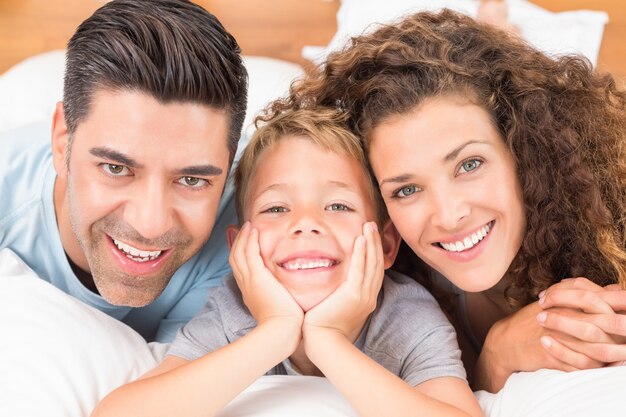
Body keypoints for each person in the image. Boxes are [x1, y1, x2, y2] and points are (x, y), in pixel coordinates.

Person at [272, 9, 626, 392]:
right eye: (405, 190)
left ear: (525, 150)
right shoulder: (403, 298)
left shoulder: (607, 217)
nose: (449, 215)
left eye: (469, 164)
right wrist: (497, 353)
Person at [91, 107, 484, 417]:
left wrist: (328, 342)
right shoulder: (231, 311)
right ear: (239, 248)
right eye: (276, 207)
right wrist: (275, 333)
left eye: (337, 205)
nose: (306, 224)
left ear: (384, 246)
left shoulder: (406, 317)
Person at [0, 0, 248, 342]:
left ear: (228, 159)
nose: (150, 224)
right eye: (116, 168)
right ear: (62, 142)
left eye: (191, 179)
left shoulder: (252, 216)